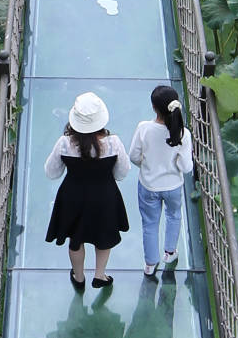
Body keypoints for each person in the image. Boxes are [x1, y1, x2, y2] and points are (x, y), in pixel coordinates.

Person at [43, 90, 130, 289]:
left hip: (72, 197)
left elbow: (52, 172)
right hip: (105, 195)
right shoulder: (113, 143)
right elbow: (122, 172)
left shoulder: (65, 143)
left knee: (75, 238)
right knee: (104, 235)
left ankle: (79, 277)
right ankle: (100, 275)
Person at [128, 83, 194, 280]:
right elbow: (187, 168)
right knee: (174, 216)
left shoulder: (144, 129)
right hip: (173, 186)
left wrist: (146, 166)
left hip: (148, 185)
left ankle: (150, 264)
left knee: (149, 223)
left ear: (154, 107)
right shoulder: (183, 134)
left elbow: (133, 156)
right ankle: (170, 252)